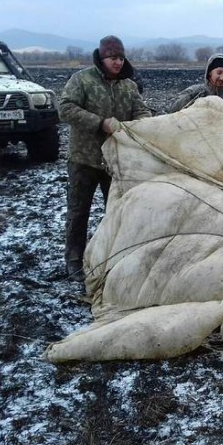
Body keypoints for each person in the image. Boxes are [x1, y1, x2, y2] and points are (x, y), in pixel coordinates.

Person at [58, 35, 152, 282]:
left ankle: (112, 256)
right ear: (101, 58)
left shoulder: (128, 85)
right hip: (84, 159)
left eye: (121, 57)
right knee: (79, 212)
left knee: (116, 212)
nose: (118, 62)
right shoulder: (82, 80)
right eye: (113, 57)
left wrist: (145, 122)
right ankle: (74, 260)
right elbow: (65, 108)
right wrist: (100, 123)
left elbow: (139, 109)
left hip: (115, 162)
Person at [167, 53, 223, 125]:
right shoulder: (194, 91)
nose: (222, 78)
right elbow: (172, 110)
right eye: (219, 73)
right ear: (210, 73)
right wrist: (190, 97)